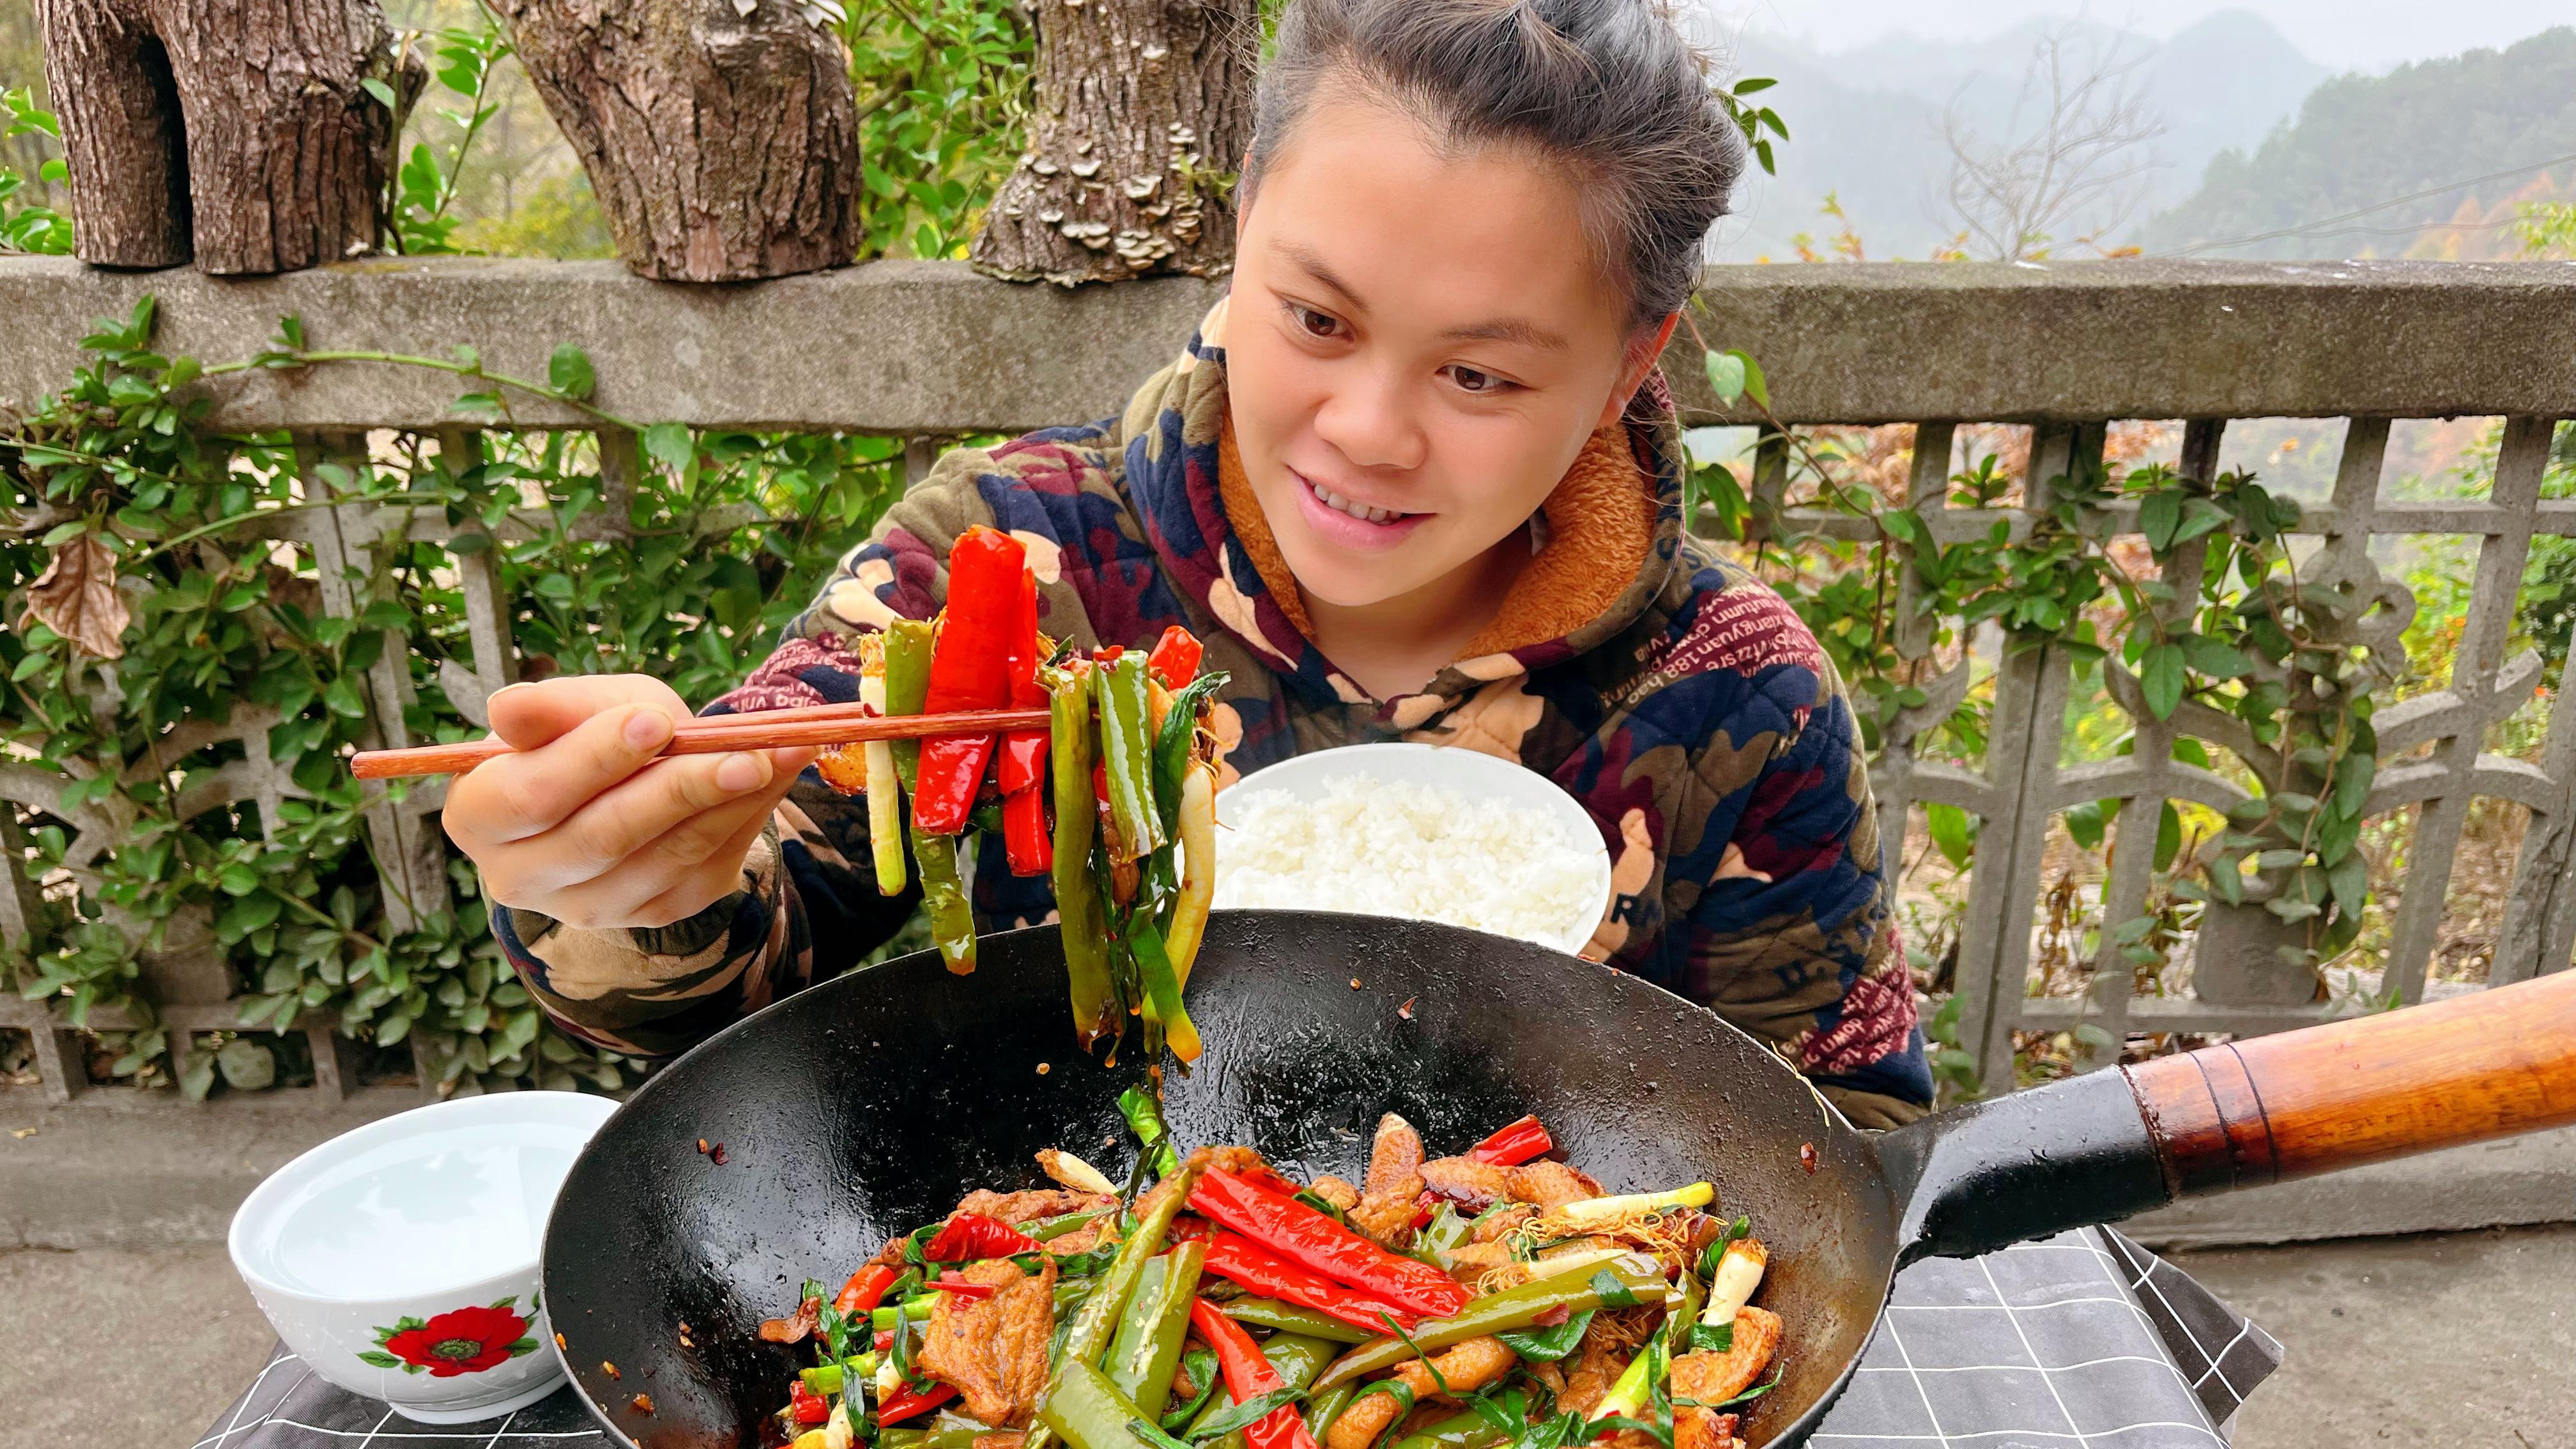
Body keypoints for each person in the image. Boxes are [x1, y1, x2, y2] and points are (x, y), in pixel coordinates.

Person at [440, 0, 1933, 1127]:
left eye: (1479, 377)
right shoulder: (1008, 557)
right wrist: (629, 882)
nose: (1366, 434)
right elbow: (735, 961)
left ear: (1628, 368)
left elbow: (1844, 1142)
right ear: (1241, 236)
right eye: (1317, 319)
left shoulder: (1742, 696)